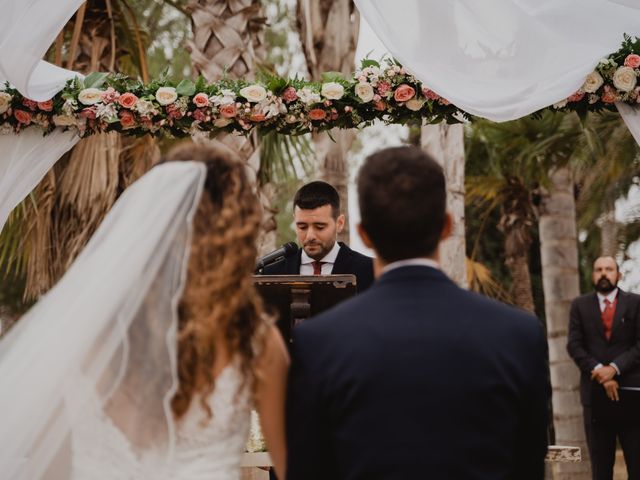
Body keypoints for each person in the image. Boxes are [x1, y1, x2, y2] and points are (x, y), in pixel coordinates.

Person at [286, 146, 550, 480]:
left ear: (363, 232)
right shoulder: (519, 333)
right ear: (446, 226)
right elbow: (527, 465)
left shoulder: (317, 343)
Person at [567, 256, 640, 480]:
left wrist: (615, 368)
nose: (603, 273)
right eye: (598, 269)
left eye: (609, 269)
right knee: (600, 468)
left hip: (631, 395)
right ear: (593, 275)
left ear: (618, 274)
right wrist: (601, 372)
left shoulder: (636, 303)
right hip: (595, 396)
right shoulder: (579, 305)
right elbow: (574, 345)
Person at [261, 181, 374, 292]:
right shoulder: (271, 274)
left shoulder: (370, 271)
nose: (310, 236)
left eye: (320, 227)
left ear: (339, 223)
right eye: (302, 227)